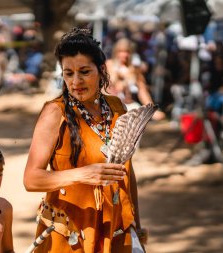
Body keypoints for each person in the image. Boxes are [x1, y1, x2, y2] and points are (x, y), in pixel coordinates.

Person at [23, 28, 147, 252]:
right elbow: (31, 179)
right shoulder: (55, 113)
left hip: (115, 225)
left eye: (84, 71)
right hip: (71, 233)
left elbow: (127, 171)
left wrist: (135, 224)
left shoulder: (117, 107)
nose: (76, 81)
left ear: (101, 70)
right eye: (68, 73)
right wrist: (84, 174)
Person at [106, 38, 165, 121]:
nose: (124, 55)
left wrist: (151, 110)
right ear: (116, 52)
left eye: (127, 52)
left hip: (129, 106)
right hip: (110, 107)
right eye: (121, 51)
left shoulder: (134, 69)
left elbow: (142, 91)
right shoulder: (108, 65)